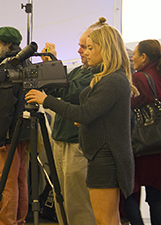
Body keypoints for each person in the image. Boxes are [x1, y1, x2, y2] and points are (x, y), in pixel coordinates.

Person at [25, 19, 137, 225]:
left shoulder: (112, 80)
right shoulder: (104, 77)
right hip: (100, 153)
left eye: (89, 47)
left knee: (100, 217)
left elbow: (83, 111)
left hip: (104, 156)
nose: (84, 52)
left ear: (106, 49)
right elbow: (93, 114)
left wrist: (45, 100)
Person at [41, 25, 98, 225]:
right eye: (81, 46)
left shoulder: (97, 75)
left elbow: (70, 93)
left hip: (76, 143)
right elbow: (60, 89)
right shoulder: (80, 71)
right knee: (61, 198)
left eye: (86, 47)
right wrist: (53, 65)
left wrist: (45, 97)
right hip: (61, 139)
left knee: (78, 203)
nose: (80, 51)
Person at [0, 26, 29, 225]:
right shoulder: (25, 62)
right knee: (19, 179)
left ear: (8, 44)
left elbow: (5, 106)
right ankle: (19, 219)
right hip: (23, 132)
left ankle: (6, 221)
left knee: (3, 183)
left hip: (8, 134)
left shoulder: (6, 66)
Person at [123, 39, 161, 225]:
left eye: (135, 54)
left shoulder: (139, 79)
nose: (133, 58)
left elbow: (127, 106)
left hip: (142, 147)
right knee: (157, 197)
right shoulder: (158, 74)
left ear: (144, 57)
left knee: (128, 193)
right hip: (158, 146)